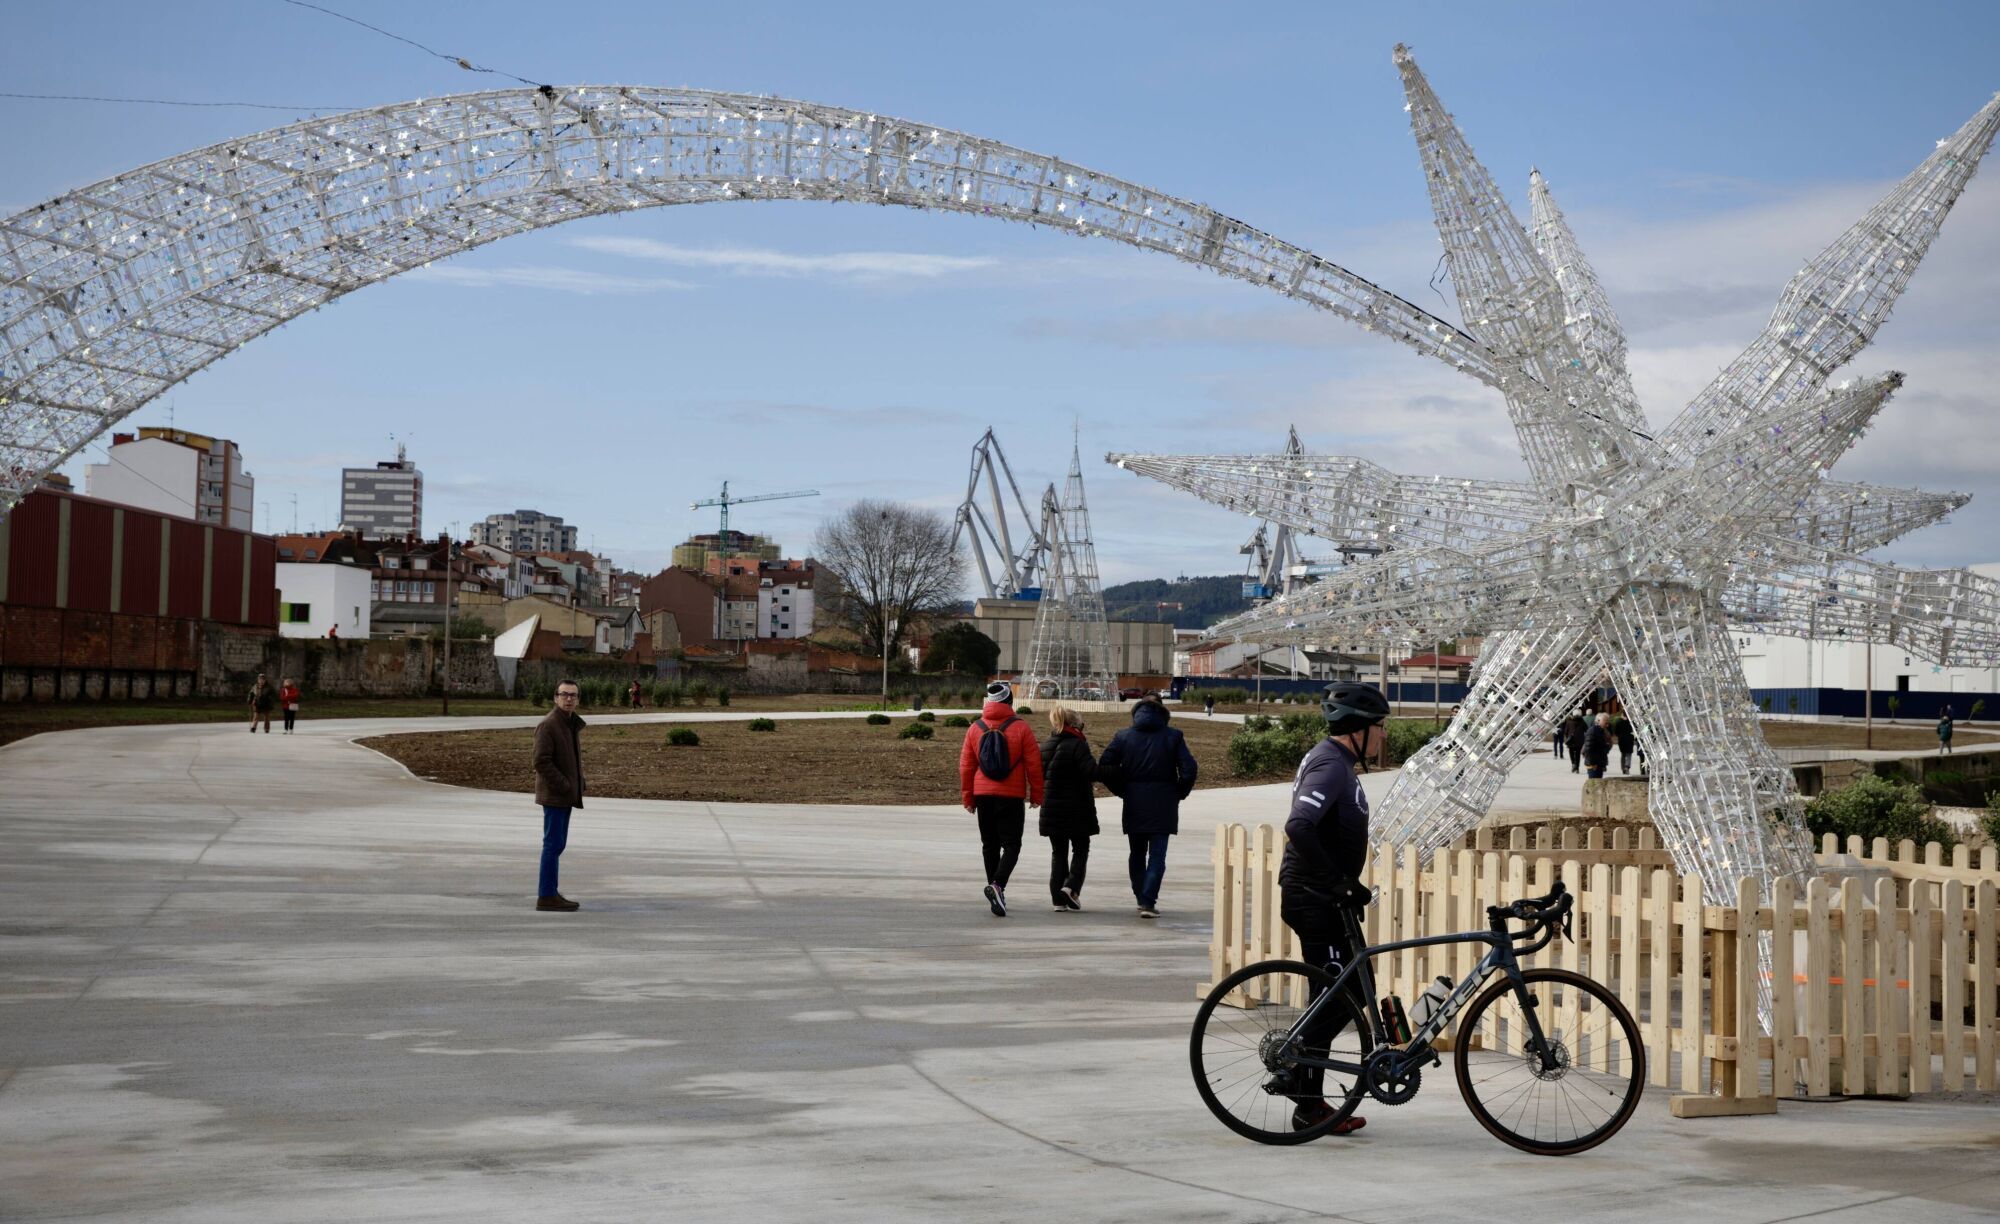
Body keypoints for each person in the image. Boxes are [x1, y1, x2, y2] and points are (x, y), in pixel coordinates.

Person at [1276, 680, 1389, 1137]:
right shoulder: (1330, 765)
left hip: (1322, 897)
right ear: (1358, 730)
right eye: (1380, 726)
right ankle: (1301, 1087)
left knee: (1349, 991)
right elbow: (1299, 825)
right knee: (1338, 995)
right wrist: (1336, 881)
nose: (1384, 735)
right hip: (1314, 897)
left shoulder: (1337, 762)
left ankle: (1307, 1093)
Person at [1096, 694, 1198, 919]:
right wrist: (1179, 792)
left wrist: (1122, 789)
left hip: (1134, 802)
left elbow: (1104, 766)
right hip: (1164, 803)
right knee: (1157, 856)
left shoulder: (1123, 736)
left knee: (1137, 853)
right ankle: (1148, 901)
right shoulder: (1173, 736)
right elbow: (1189, 769)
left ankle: (1141, 897)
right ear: (1163, 713)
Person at [958, 680, 1044, 917]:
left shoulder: (975, 728)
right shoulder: (1021, 727)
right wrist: (1037, 794)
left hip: (982, 794)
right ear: (1009, 701)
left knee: (990, 845)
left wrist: (968, 798)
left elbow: (966, 767)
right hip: (1011, 795)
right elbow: (1034, 765)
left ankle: (995, 890)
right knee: (1012, 845)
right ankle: (997, 886)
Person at [1038, 702, 1099, 911]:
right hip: (1076, 807)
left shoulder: (1046, 745)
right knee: (1081, 848)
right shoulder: (1078, 744)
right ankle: (1071, 887)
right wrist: (1113, 771)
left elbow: (1039, 775)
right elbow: (1090, 771)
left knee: (1058, 853)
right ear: (1075, 725)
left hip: (1052, 809)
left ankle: (1058, 900)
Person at [532, 680, 586, 912]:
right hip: (555, 795)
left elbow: (569, 760)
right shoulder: (549, 725)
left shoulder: (569, 724)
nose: (569, 699)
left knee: (557, 845)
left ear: (578, 699)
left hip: (564, 795)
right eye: (564, 694)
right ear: (556, 698)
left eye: (573, 695)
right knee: (552, 845)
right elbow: (540, 761)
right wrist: (564, 785)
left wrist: (579, 782)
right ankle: (546, 895)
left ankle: (550, 892)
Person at [1583, 713, 1612, 780]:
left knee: (1598, 782)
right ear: (1598, 721)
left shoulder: (1602, 731)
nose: (1607, 725)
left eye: (1608, 722)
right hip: (1594, 765)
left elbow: (1603, 747)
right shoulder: (1593, 731)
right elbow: (1588, 748)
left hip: (1599, 763)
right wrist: (1592, 764)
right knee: (1594, 783)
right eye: (1605, 722)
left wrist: (1607, 746)